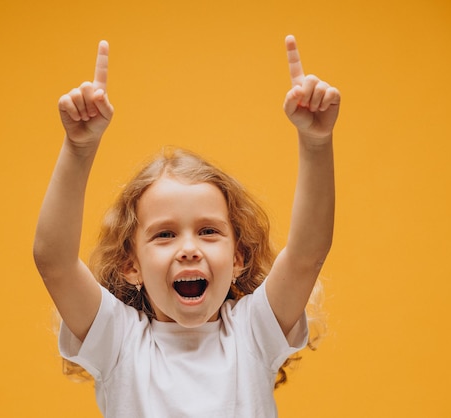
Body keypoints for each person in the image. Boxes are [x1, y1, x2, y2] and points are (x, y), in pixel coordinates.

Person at [33, 35, 340, 417]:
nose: (189, 248)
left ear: (239, 257)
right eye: (164, 234)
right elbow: (54, 261)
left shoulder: (253, 333)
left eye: (209, 231)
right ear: (132, 266)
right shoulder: (119, 341)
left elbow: (307, 255)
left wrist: (315, 141)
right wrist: (78, 150)